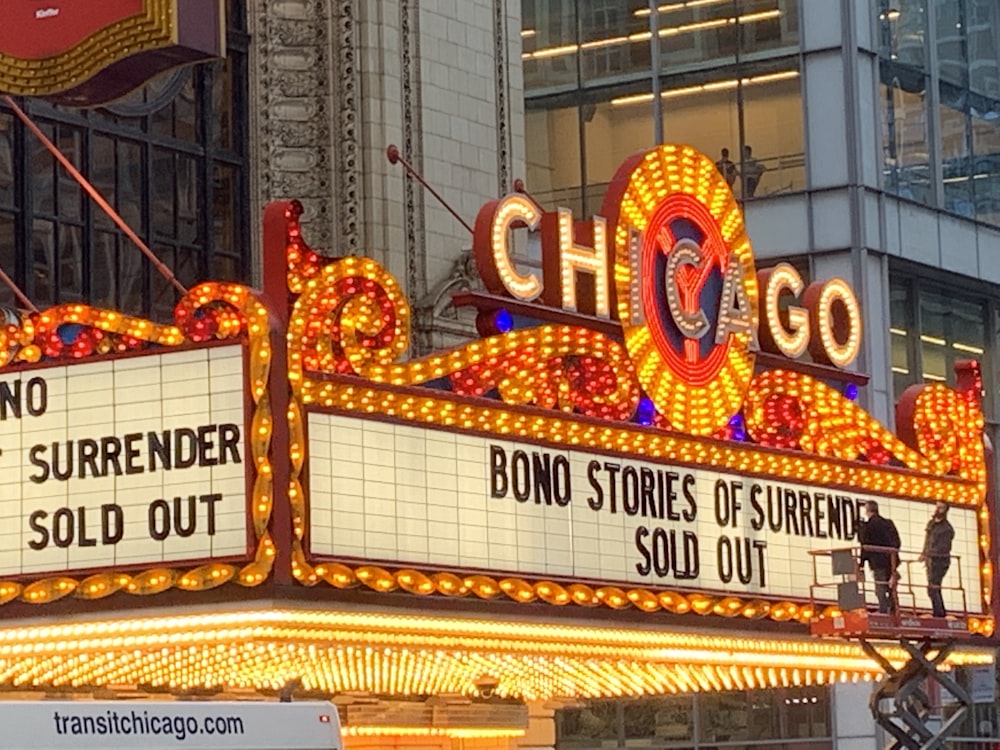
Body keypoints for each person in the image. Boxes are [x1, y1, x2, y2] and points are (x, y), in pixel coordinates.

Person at [857, 500, 901, 614]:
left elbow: (865, 546)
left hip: (878, 562)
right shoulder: (888, 523)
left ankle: (883, 609)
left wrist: (861, 563)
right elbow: (897, 542)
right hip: (891, 561)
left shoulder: (868, 526)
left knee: (880, 587)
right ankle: (893, 609)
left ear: (867, 511)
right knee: (891, 587)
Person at [919, 502, 954, 617]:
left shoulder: (947, 528)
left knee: (933, 587)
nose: (938, 509)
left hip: (940, 562)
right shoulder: (932, 524)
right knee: (933, 587)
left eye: (941, 507)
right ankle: (939, 612)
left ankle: (939, 613)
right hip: (931, 560)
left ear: (945, 510)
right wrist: (924, 553)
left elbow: (944, 548)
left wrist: (929, 553)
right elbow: (927, 540)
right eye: (937, 507)